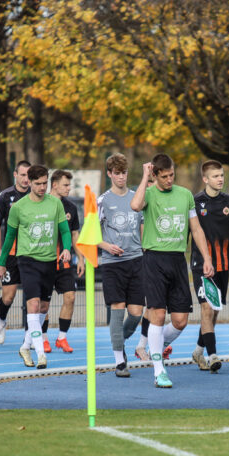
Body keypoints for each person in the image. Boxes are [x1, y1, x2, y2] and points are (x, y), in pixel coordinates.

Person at [130, 154, 214, 388]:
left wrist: (206, 258)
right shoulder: (148, 193)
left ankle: (151, 344)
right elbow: (135, 205)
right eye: (164, 176)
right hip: (154, 258)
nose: (169, 180)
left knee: (180, 321)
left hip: (178, 260)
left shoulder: (185, 195)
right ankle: (159, 370)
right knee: (157, 314)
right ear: (155, 175)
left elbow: (196, 229)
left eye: (171, 175)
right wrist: (145, 175)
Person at [0, 165, 70, 370]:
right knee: (34, 305)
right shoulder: (18, 208)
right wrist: (1, 263)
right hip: (27, 260)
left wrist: (67, 249)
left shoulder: (55, 204)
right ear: (29, 182)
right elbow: (9, 237)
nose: (42, 187)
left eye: (45, 183)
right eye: (38, 184)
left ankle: (25, 346)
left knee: (44, 308)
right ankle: (40, 355)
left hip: (49, 262)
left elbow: (64, 231)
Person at [98, 153, 144, 377]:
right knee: (117, 310)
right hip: (112, 263)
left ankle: (119, 340)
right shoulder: (102, 200)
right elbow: (91, 235)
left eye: (124, 173)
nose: (121, 177)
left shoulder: (137, 198)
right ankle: (119, 361)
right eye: (116, 173)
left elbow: (142, 226)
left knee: (136, 314)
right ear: (109, 174)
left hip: (136, 260)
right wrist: (106, 246)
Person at [190, 160, 229, 373]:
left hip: (223, 264)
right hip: (201, 264)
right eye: (216, 176)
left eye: (222, 175)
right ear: (205, 179)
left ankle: (199, 350)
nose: (220, 179)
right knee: (206, 308)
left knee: (215, 311)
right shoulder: (195, 202)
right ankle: (213, 355)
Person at [43, 169, 83, 353]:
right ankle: (43, 338)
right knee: (43, 304)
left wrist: (80, 258)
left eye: (70, 185)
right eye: (65, 185)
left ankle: (62, 338)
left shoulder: (71, 208)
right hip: (43, 262)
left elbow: (75, 235)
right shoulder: (41, 204)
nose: (69, 189)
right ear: (55, 185)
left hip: (64, 262)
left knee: (71, 297)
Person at [0, 160, 31, 344]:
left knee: (32, 296)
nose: (26, 179)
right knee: (9, 297)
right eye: (22, 175)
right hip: (11, 253)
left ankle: (30, 335)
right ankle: (1, 321)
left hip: (32, 253)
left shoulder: (37, 195)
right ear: (15, 174)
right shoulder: (5, 196)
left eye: (29, 175)